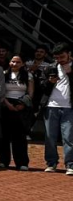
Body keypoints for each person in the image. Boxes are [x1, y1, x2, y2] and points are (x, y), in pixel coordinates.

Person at [0, 54, 34, 170]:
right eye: (13, 61)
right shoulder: (4, 74)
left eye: (18, 62)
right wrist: (7, 104)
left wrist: (22, 104)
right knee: (4, 135)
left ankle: (22, 162)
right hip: (5, 105)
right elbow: (0, 92)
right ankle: (3, 161)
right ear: (9, 62)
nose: (15, 64)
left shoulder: (28, 75)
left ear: (22, 64)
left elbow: (30, 93)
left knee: (20, 136)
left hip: (21, 105)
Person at [42, 43, 72, 174]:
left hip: (69, 107)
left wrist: (70, 73)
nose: (59, 60)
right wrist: (49, 82)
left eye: (62, 57)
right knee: (50, 137)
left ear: (69, 54)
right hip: (51, 106)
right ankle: (51, 163)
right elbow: (42, 87)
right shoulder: (51, 67)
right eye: (57, 57)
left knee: (69, 137)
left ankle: (70, 164)